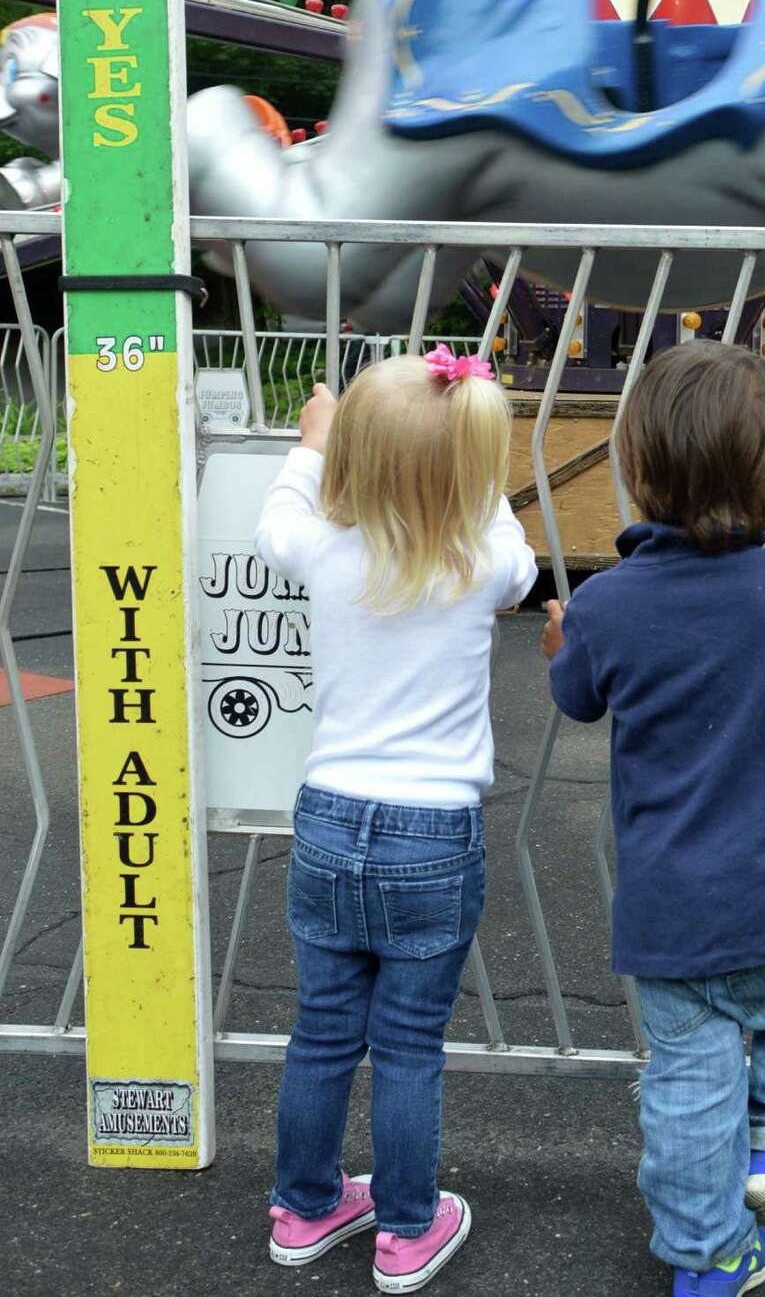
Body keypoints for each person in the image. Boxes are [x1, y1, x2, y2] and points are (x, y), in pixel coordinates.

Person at [541, 340, 765, 1296]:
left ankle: (707, 1254)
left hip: (672, 915)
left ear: (634, 471)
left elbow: (578, 696)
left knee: (686, 1088)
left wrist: (562, 636)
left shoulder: (607, 607)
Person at [256, 347, 537, 1293]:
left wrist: (312, 445)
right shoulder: (485, 559)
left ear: (353, 462)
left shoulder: (324, 547)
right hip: (433, 833)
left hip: (330, 821)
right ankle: (409, 1229)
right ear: (471, 470)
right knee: (409, 1045)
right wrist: (474, 478)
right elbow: (523, 558)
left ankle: (302, 1208)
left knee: (323, 1030)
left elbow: (276, 521)